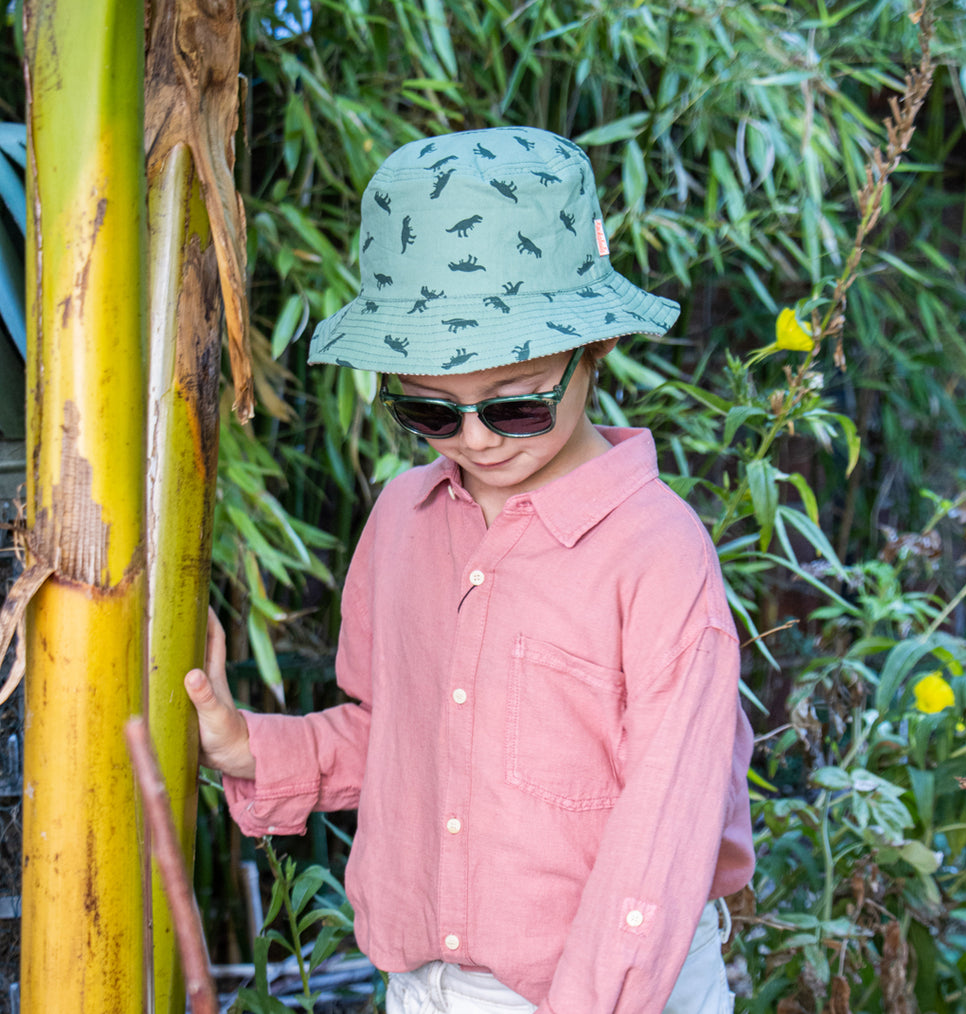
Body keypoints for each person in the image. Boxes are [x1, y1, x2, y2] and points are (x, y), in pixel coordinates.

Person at [185, 125, 754, 1014]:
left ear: (593, 349)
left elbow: (664, 836)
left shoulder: (658, 553)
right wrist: (248, 746)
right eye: (431, 410)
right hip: (427, 987)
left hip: (613, 987)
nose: (478, 440)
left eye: (517, 404)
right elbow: (398, 739)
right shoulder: (402, 525)